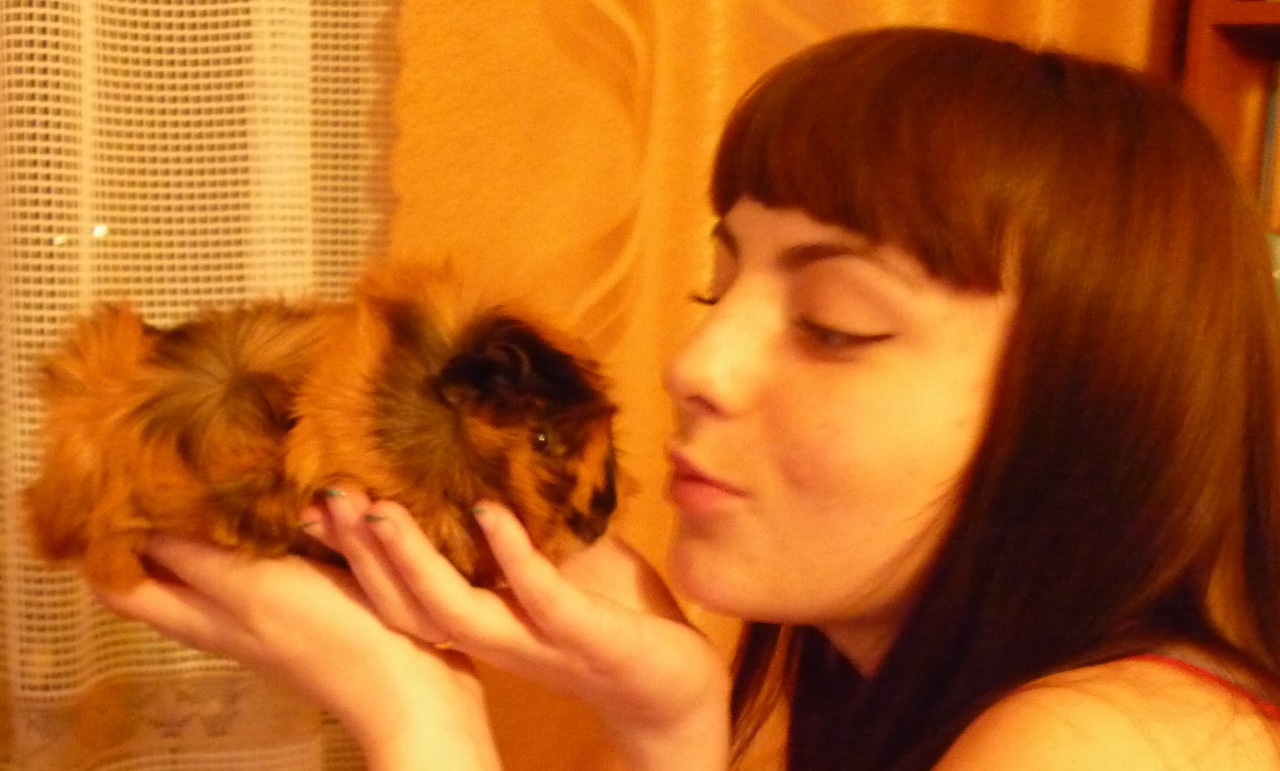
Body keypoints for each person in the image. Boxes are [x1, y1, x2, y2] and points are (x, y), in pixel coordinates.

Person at [97, 26, 1280, 770]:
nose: (695, 366)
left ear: (1088, 416)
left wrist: (416, 718)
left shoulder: (1104, 746)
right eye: (718, 289)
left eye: (835, 325)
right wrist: (670, 725)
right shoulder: (887, 696)